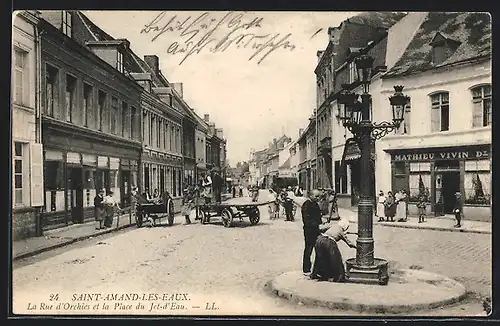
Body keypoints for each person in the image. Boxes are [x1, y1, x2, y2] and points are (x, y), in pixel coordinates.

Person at [301, 189, 323, 276]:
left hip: (316, 229)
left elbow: (318, 217)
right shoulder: (306, 205)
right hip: (309, 230)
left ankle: (318, 269)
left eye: (319, 196)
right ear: (310, 196)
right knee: (309, 249)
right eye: (316, 196)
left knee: (319, 249)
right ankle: (306, 269)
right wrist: (316, 224)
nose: (318, 198)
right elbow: (306, 220)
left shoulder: (315, 204)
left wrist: (321, 224)